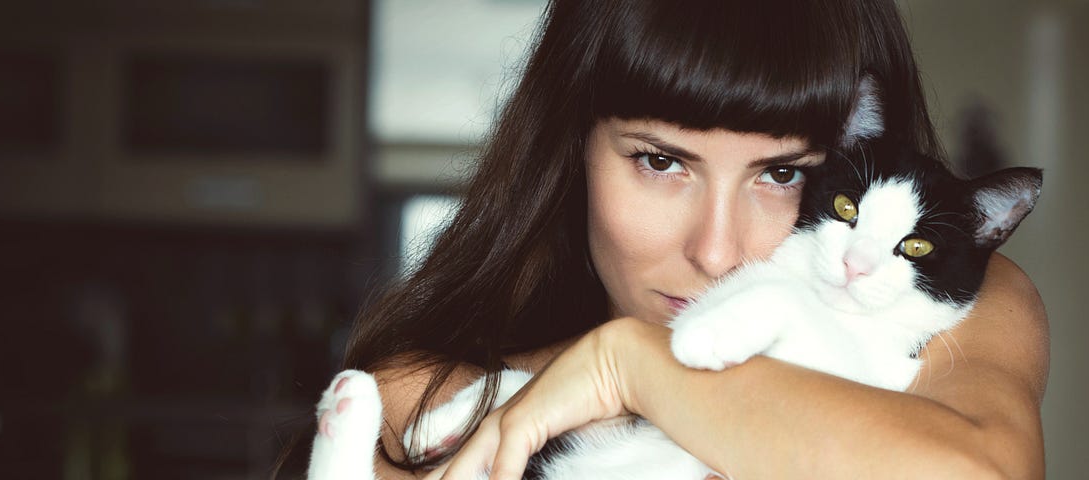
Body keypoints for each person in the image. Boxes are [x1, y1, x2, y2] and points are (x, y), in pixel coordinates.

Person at [341, 0, 1049, 478]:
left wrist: (627, 366)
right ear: (572, 151)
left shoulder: (973, 303)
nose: (715, 252)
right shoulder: (423, 401)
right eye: (661, 162)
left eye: (780, 173)